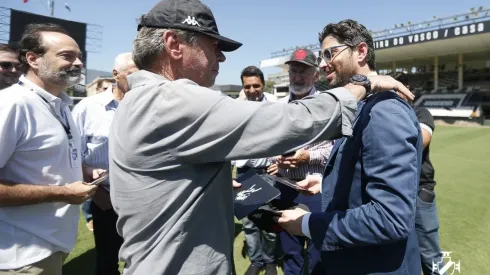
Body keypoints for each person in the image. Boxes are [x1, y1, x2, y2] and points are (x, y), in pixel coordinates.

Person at [108, 1, 413, 274]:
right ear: (174, 44)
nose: (221, 59)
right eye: (213, 46)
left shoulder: (138, 99)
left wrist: (204, 185)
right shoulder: (169, 101)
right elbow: (290, 122)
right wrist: (363, 83)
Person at [276, 19, 423, 275]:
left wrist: (307, 224)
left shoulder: (383, 111)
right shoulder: (362, 105)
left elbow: (390, 218)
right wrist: (326, 184)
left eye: (330, 53)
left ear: (361, 52)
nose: (323, 64)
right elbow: (361, 173)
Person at [0, 23, 100, 275]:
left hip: (53, 244)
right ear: (33, 59)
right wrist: (63, 192)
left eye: (79, 57)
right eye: (67, 56)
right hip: (20, 255)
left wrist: (83, 169)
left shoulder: (62, 105)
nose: (78, 63)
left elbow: (46, 158)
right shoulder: (12, 104)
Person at [72, 52, 138, 275]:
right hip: (104, 199)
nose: (138, 82)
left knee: (143, 261)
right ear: (115, 75)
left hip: (143, 200)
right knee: (107, 262)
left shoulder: (148, 108)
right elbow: (71, 156)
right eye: (132, 75)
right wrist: (96, 194)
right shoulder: (87, 108)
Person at [272, 48, 333, 275]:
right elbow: (269, 143)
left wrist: (308, 156)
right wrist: (275, 156)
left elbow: (334, 151)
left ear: (316, 75)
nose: (297, 77)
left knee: (318, 250)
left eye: (304, 72)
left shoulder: (327, 105)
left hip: (315, 189)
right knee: (290, 252)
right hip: (285, 187)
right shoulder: (279, 107)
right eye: (294, 71)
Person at [392, 71, 444, 275]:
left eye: (400, 89)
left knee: (431, 257)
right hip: (394, 194)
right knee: (402, 256)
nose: (396, 94)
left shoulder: (420, 113)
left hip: (419, 194)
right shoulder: (387, 115)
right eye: (392, 89)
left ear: (409, 91)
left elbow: (419, 142)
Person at [233, 66, 278, 275]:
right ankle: (256, 260)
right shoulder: (234, 109)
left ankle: (270, 260)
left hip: (267, 172)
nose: (252, 90)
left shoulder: (275, 106)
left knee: (268, 223)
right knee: (249, 223)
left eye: (256, 85)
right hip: (245, 173)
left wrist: (277, 159)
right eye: (247, 86)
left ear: (263, 84)